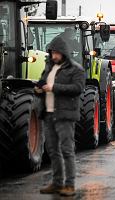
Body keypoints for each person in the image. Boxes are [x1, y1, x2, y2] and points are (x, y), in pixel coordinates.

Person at [35, 36, 85, 196]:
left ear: (63, 53)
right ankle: (57, 183)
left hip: (65, 115)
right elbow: (43, 81)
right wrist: (39, 88)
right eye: (52, 53)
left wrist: (54, 87)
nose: (54, 56)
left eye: (57, 53)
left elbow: (78, 88)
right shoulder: (49, 66)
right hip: (49, 114)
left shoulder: (76, 69)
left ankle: (69, 185)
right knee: (52, 151)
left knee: (67, 150)